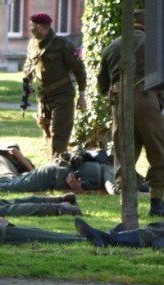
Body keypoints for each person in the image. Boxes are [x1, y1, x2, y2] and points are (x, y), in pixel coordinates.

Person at [97, 10, 164, 217]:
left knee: (124, 154)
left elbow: (102, 85)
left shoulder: (112, 46)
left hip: (119, 101)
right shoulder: (154, 45)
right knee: (159, 152)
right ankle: (156, 203)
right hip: (146, 99)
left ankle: (126, 204)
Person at [23, 12, 87, 159]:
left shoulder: (63, 45)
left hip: (62, 94)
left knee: (59, 133)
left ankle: (56, 169)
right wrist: (28, 82)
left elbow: (79, 69)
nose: (30, 29)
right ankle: (54, 162)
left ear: (40, 27)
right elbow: (29, 64)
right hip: (43, 96)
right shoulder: (33, 44)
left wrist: (82, 95)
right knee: (46, 131)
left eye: (32, 26)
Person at [74, 218, 164, 248]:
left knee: (147, 235)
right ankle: (103, 237)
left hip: (149, 237)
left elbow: (157, 244)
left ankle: (103, 238)